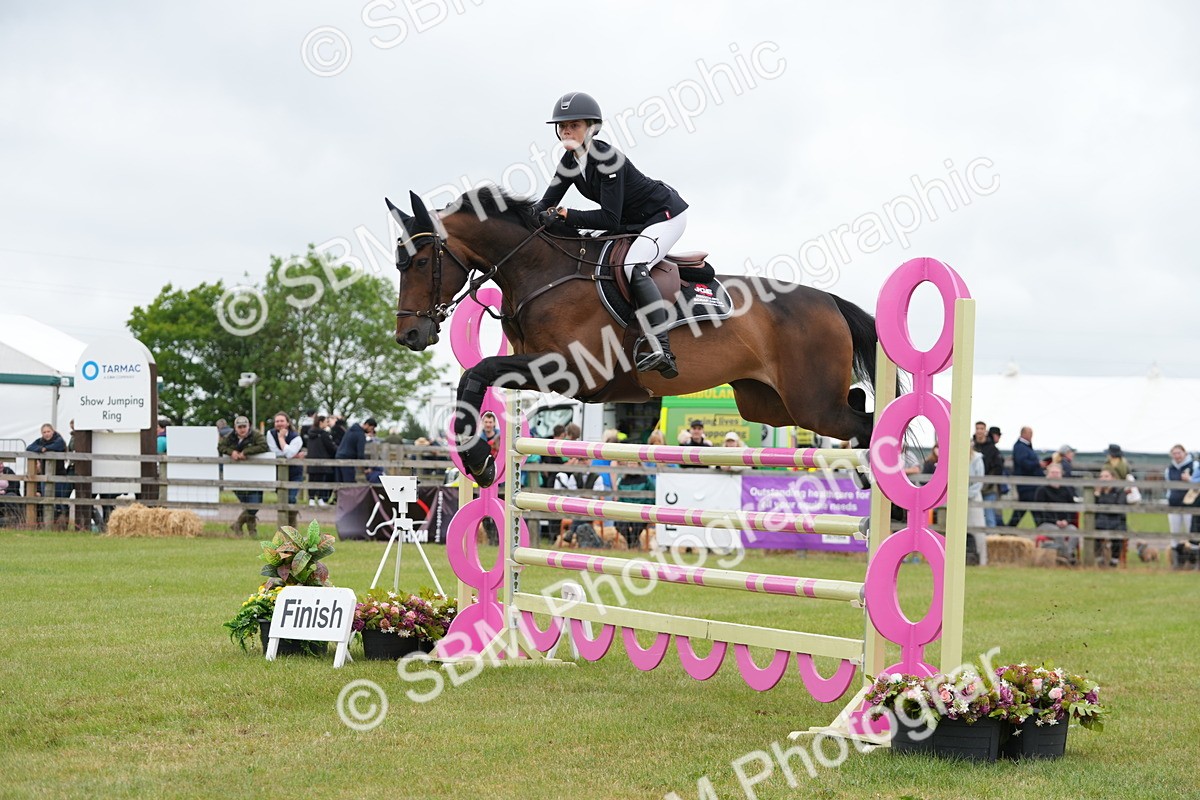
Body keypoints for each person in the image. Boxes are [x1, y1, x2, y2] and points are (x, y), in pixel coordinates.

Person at [532, 91, 688, 379]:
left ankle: (662, 348)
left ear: (592, 128)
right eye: (562, 126)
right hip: (633, 222)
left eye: (574, 125)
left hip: (663, 216)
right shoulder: (569, 161)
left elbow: (609, 220)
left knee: (633, 265)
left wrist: (566, 215)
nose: (566, 131)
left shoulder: (608, 159)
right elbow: (545, 204)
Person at [219, 415, 269, 535]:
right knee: (248, 505)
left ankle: (237, 524)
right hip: (236, 476)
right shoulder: (230, 437)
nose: (242, 429)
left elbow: (264, 446)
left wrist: (246, 452)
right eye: (239, 427)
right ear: (235, 428)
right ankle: (252, 532)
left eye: (244, 426)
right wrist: (232, 452)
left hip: (255, 476)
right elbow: (221, 446)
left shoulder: (256, 435)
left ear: (248, 426)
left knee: (254, 505)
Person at [267, 411, 305, 528]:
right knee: (282, 499)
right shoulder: (270, 434)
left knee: (291, 498)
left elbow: (288, 454)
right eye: (277, 421)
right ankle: (284, 527)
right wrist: (293, 454)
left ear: (288, 423)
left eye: (282, 421)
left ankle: (292, 526)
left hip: (295, 473)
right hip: (278, 472)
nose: (279, 423)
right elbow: (275, 452)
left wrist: (281, 438)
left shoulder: (296, 437)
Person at [1008, 426, 1044, 527]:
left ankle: (1009, 529)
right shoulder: (1021, 447)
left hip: (1029, 484)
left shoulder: (1025, 447)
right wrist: (1037, 464)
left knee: (1024, 508)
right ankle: (1041, 527)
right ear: (1024, 434)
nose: (1032, 436)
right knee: (1031, 507)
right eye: (1030, 433)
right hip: (1027, 484)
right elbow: (1023, 462)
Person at [1094, 467, 1128, 567]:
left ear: (1113, 478)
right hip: (1100, 521)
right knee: (1094, 534)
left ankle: (1114, 560)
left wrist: (1103, 502)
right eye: (1101, 476)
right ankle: (1099, 560)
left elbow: (1118, 507)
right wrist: (1097, 495)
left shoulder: (1120, 491)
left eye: (1106, 476)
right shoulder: (1097, 492)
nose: (1103, 479)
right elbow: (1093, 509)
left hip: (1116, 520)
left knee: (1117, 535)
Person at [974, 423, 1004, 527]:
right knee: (973, 516)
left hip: (988, 488)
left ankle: (991, 537)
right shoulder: (971, 447)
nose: (979, 431)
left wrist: (989, 483)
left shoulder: (992, 449)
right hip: (973, 488)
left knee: (989, 517)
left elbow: (998, 468)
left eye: (981, 428)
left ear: (985, 431)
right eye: (977, 428)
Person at [303, 415, 336, 505]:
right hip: (322, 461)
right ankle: (320, 498)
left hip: (311, 461)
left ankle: (311, 499)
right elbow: (330, 447)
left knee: (312, 479)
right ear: (321, 422)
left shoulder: (310, 434)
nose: (327, 424)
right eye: (325, 422)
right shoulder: (324, 434)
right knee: (321, 480)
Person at [1033, 462, 1076, 529]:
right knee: (1055, 531)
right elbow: (1039, 511)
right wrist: (1055, 521)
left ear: (1061, 474)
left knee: (1072, 530)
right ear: (1047, 474)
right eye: (1053, 472)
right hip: (1046, 523)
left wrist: (1066, 521)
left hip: (1064, 523)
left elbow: (1072, 508)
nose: (1055, 475)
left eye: (1057, 473)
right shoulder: (1041, 490)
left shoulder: (1067, 489)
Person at [334, 417, 377, 484]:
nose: (371, 431)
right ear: (367, 425)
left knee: (339, 483)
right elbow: (360, 454)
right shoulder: (360, 434)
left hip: (338, 457)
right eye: (371, 428)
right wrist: (366, 468)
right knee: (349, 483)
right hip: (348, 460)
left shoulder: (350, 430)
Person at [966, 436, 988, 565]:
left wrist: (967, 494)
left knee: (977, 530)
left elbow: (979, 481)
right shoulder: (954, 458)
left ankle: (982, 560)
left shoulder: (977, 459)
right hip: (957, 499)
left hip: (973, 498)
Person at [1165, 444, 1195, 535]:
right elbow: (1168, 486)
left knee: (1191, 531)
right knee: (1174, 532)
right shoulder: (1169, 469)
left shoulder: (1195, 465)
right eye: (1174, 453)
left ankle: (1191, 545)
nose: (1177, 456)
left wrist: (1190, 479)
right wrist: (1168, 499)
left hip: (1190, 504)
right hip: (1174, 503)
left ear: (1185, 453)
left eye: (1179, 453)